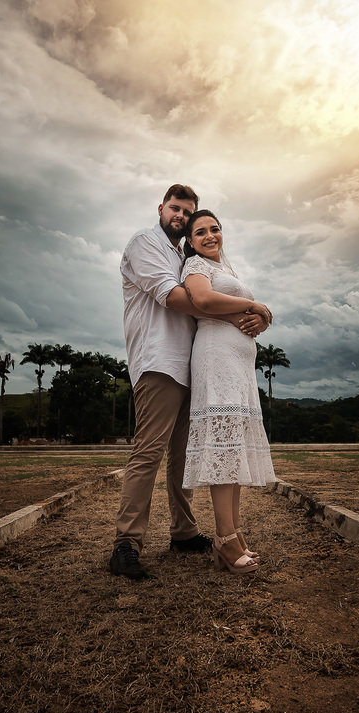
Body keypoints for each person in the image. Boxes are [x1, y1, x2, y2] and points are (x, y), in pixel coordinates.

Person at [110, 185, 268, 581]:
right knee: (150, 451)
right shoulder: (145, 243)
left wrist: (254, 318)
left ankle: (183, 531)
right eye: (176, 209)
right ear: (161, 209)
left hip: (192, 366)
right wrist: (245, 313)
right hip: (160, 360)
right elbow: (179, 298)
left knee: (184, 455)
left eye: (188, 211)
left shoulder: (183, 255)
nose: (181, 216)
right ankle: (126, 543)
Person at [179, 209, 277, 574]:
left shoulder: (229, 270)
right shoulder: (195, 268)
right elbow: (203, 302)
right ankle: (224, 538)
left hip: (238, 367)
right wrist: (255, 305)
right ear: (190, 241)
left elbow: (240, 314)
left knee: (233, 449)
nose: (209, 236)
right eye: (200, 232)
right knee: (223, 450)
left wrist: (260, 320)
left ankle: (233, 531)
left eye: (214, 229)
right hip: (216, 361)